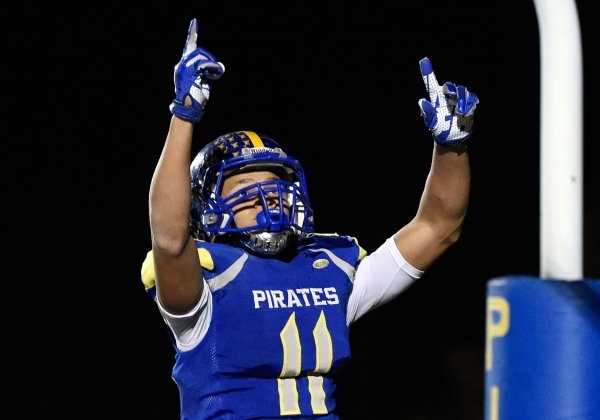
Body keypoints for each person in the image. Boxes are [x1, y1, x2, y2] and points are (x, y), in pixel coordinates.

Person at [141, 18, 478, 420]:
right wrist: (183, 115)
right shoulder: (206, 282)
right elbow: (169, 239)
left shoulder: (330, 268)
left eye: (274, 183)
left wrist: (451, 148)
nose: (267, 195)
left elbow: (439, 227)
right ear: (205, 205)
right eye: (245, 184)